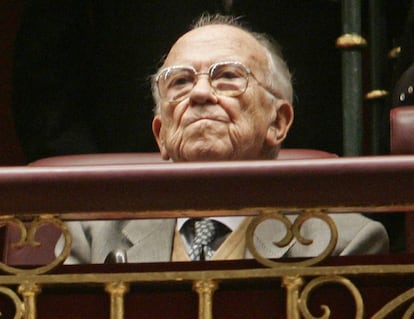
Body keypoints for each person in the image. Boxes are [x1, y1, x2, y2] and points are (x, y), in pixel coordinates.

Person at [56, 14, 389, 264]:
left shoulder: (341, 242)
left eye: (228, 77)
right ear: (161, 134)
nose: (200, 92)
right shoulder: (89, 238)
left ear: (278, 122)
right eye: (181, 82)